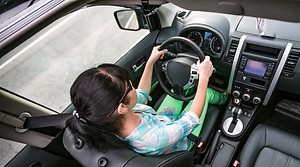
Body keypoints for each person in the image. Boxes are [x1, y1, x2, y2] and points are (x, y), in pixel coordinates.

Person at [68, 46, 227, 155]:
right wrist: (204, 78)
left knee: (177, 89)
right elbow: (191, 118)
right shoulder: (154, 139)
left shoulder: (110, 116)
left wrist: (150, 62)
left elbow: (142, 93)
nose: (132, 85)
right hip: (180, 139)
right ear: (122, 107)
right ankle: (226, 96)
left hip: (162, 121)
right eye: (129, 86)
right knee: (206, 94)